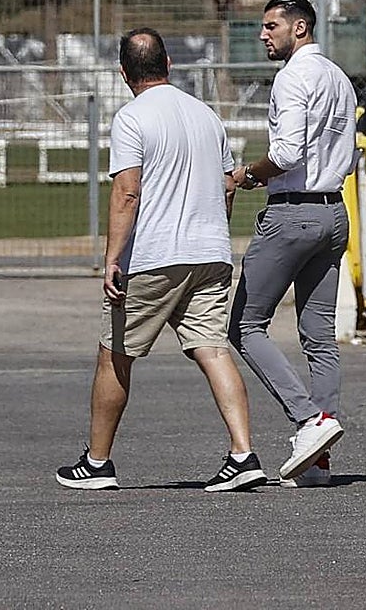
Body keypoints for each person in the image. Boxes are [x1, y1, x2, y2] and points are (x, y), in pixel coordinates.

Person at [56, 27, 268, 494]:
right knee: (214, 349)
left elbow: (127, 192)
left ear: (123, 72)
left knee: (116, 353)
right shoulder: (206, 115)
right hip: (211, 254)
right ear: (169, 64)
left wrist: (112, 258)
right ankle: (243, 453)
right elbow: (227, 185)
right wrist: (212, 231)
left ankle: (97, 462)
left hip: (154, 257)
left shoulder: (132, 118)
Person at [230, 0, 357, 488]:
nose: (263, 35)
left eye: (271, 26)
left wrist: (247, 175)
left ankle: (309, 420)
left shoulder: (292, 77)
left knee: (245, 325)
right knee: (319, 336)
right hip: (334, 212)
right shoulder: (338, 77)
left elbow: (285, 153)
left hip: (293, 213)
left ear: (298, 28)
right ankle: (318, 463)